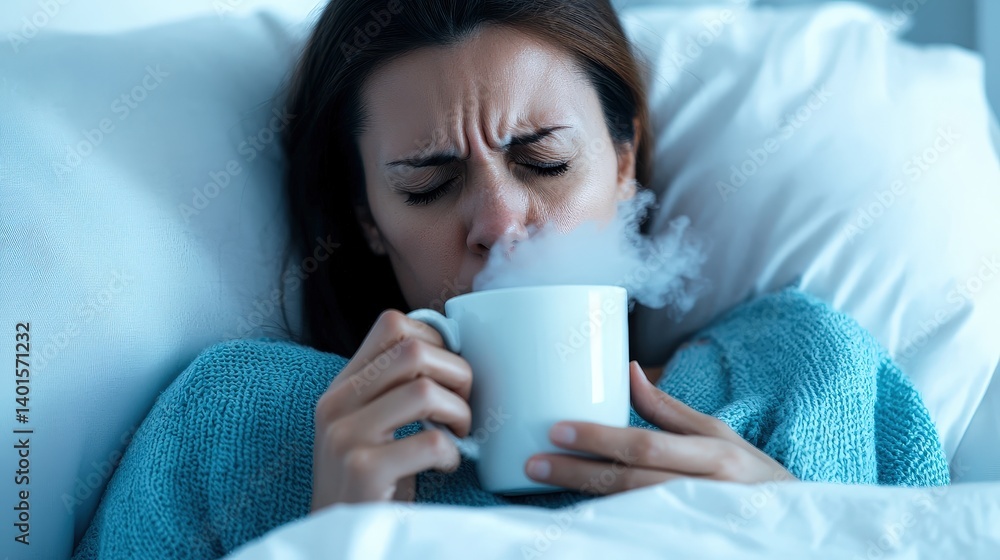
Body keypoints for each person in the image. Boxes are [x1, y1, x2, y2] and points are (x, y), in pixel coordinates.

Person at [72, 1, 949, 558]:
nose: (497, 221)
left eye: (545, 162)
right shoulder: (233, 428)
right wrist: (331, 535)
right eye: (429, 183)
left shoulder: (806, 379)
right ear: (370, 216)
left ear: (623, 159)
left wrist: (810, 533)